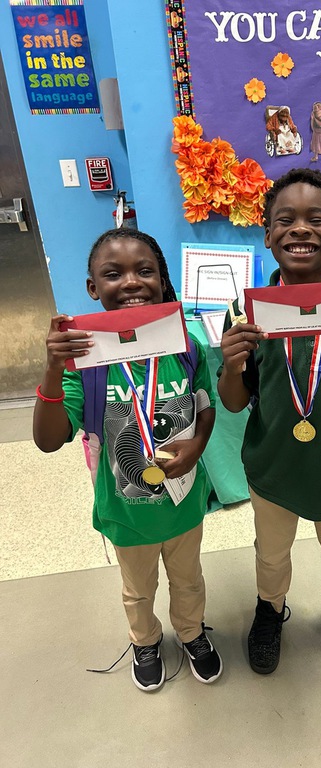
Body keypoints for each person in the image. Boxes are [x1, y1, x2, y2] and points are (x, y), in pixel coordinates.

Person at [33, 228, 222, 692]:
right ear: (92, 287)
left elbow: (204, 404)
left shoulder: (186, 345)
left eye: (145, 271)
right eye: (113, 274)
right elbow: (48, 439)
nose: (132, 282)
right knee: (138, 589)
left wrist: (198, 445)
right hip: (127, 510)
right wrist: (54, 370)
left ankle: (192, 632)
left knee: (189, 580)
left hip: (182, 502)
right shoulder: (85, 360)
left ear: (162, 280)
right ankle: (145, 640)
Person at [218, 168, 321, 678]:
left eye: (317, 219)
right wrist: (230, 364)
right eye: (285, 219)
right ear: (267, 235)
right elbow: (233, 403)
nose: (300, 229)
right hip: (273, 463)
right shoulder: (245, 311)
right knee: (271, 554)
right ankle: (270, 609)